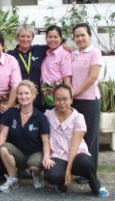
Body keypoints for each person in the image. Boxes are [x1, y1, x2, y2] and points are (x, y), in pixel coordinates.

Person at [44, 84, 109, 198]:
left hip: (76, 154)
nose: (61, 102)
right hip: (58, 155)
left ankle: (96, 186)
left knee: (87, 163)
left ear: (71, 99)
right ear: (54, 100)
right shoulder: (48, 115)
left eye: (65, 99)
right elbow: (45, 137)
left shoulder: (78, 117)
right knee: (51, 175)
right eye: (58, 99)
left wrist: (68, 170)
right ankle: (61, 184)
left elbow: (74, 145)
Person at [0, 80, 50, 192]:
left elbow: (46, 141)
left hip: (35, 154)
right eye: (20, 93)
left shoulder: (41, 117)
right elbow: (2, 136)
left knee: (34, 165)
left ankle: (36, 175)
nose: (23, 96)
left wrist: (47, 156)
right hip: (18, 154)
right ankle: (13, 179)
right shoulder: (11, 113)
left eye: (27, 93)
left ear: (33, 95)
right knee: (4, 148)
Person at [71, 23, 102, 173]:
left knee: (90, 137)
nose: (80, 38)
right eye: (77, 36)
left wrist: (75, 92)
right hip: (74, 101)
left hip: (89, 101)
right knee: (77, 135)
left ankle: (90, 172)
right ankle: (79, 169)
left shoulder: (95, 52)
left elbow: (93, 77)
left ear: (89, 35)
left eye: (83, 35)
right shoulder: (73, 54)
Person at [7, 24, 48, 110]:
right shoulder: (10, 55)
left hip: (37, 98)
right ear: (17, 37)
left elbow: (55, 45)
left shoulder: (40, 50)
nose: (25, 39)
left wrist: (65, 45)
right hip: (19, 98)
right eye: (22, 36)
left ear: (32, 38)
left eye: (28, 36)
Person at [41, 25, 72, 108]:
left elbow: (67, 78)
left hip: (58, 97)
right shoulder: (46, 53)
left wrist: (67, 99)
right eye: (50, 37)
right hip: (44, 97)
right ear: (46, 38)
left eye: (55, 37)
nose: (52, 39)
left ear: (61, 39)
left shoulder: (64, 55)